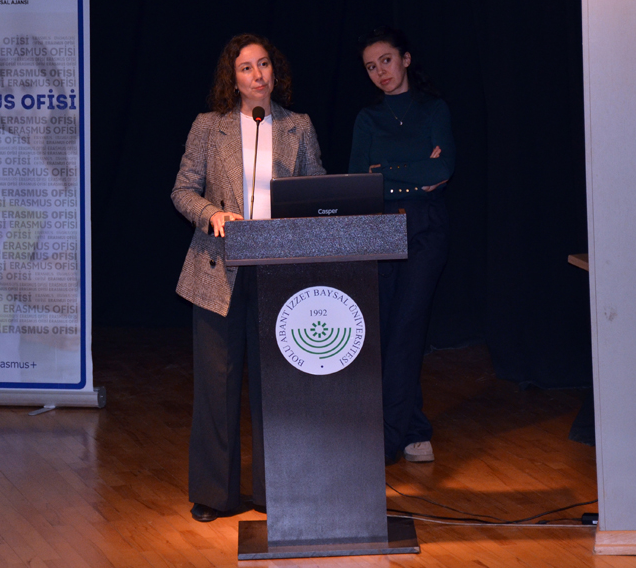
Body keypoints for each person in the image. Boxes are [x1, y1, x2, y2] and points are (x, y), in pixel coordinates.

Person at [172, 34, 325, 522]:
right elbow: (182, 191)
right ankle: (213, 494)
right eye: (246, 68)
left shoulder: (298, 126)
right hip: (218, 267)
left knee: (275, 386)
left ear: (274, 72)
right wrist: (213, 214)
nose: (257, 75)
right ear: (233, 79)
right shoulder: (208, 126)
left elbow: (318, 192)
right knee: (216, 387)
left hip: (279, 270)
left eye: (263, 65)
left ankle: (273, 490)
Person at [348, 26, 455, 464]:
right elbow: (360, 181)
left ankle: (389, 438)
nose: (380, 72)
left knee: (408, 327)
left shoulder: (434, 109)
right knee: (387, 329)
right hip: (379, 227)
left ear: (405, 59)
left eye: (386, 61)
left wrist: (386, 170)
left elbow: (442, 170)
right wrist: (413, 171)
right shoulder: (367, 118)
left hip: (425, 227)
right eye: (371, 67)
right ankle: (411, 428)